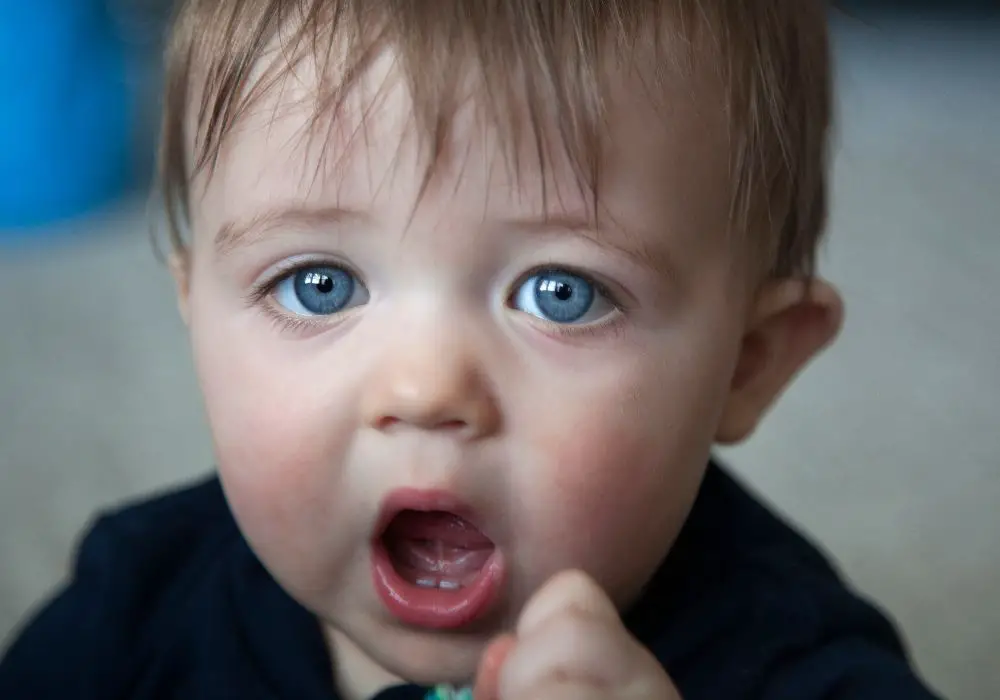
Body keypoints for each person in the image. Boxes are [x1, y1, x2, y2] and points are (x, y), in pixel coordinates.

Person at [0, 1, 942, 698]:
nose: (424, 388)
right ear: (196, 310)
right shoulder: (134, 610)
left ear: (750, 361)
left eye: (560, 295)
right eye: (319, 283)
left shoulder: (799, 665)